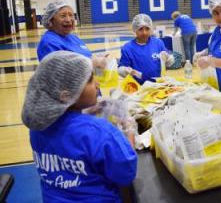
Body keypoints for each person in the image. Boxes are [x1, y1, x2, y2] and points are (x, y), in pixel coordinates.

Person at [21, 51, 138, 202]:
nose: (97, 84)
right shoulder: (99, 132)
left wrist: (83, 111)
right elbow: (126, 173)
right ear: (66, 95)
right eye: (89, 80)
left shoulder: (37, 127)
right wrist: (129, 130)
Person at [37, 0, 107, 68]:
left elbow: (83, 57)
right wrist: (92, 63)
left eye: (71, 15)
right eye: (63, 16)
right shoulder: (50, 43)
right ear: (50, 21)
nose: (68, 20)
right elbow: (61, 71)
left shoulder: (73, 37)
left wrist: (96, 58)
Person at [118, 13, 174, 84]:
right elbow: (121, 69)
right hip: (138, 87)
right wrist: (124, 70)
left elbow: (168, 63)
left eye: (147, 29)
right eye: (140, 29)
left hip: (157, 85)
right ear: (135, 30)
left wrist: (168, 58)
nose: (144, 33)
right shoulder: (128, 48)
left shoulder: (158, 43)